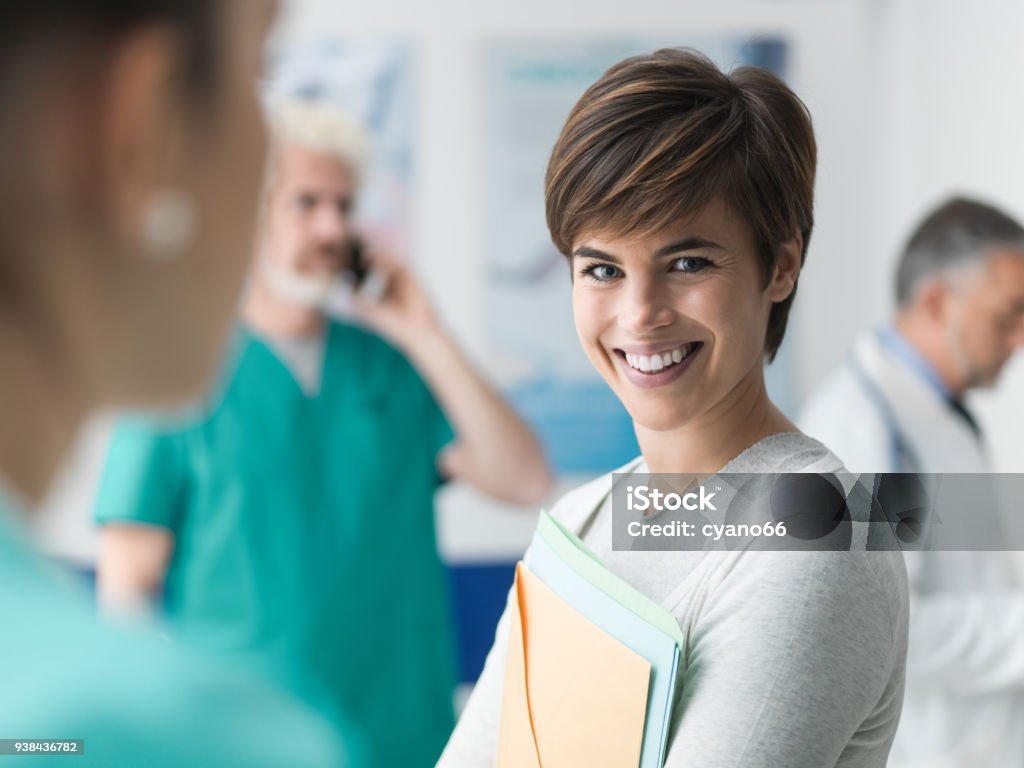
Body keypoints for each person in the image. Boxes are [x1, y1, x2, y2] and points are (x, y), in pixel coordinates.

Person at [439, 48, 908, 767]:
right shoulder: (582, 523)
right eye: (602, 269)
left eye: (687, 263)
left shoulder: (822, 536)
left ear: (780, 264)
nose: (640, 314)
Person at [93, 97, 553, 767]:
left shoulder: (392, 369)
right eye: (306, 204)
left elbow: (524, 479)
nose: (332, 227)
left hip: (403, 740)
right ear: (250, 214)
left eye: (344, 206)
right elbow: (126, 589)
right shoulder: (175, 370)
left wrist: (425, 333)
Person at [0, 1, 359, 765]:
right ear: (146, 127)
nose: (331, 228)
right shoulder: (169, 732)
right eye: (259, 72)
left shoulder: (379, 365)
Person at [800, 197, 1024, 767]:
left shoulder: (938, 410)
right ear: (936, 303)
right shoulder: (859, 432)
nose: (1020, 338)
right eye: (1008, 315)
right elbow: (886, 628)